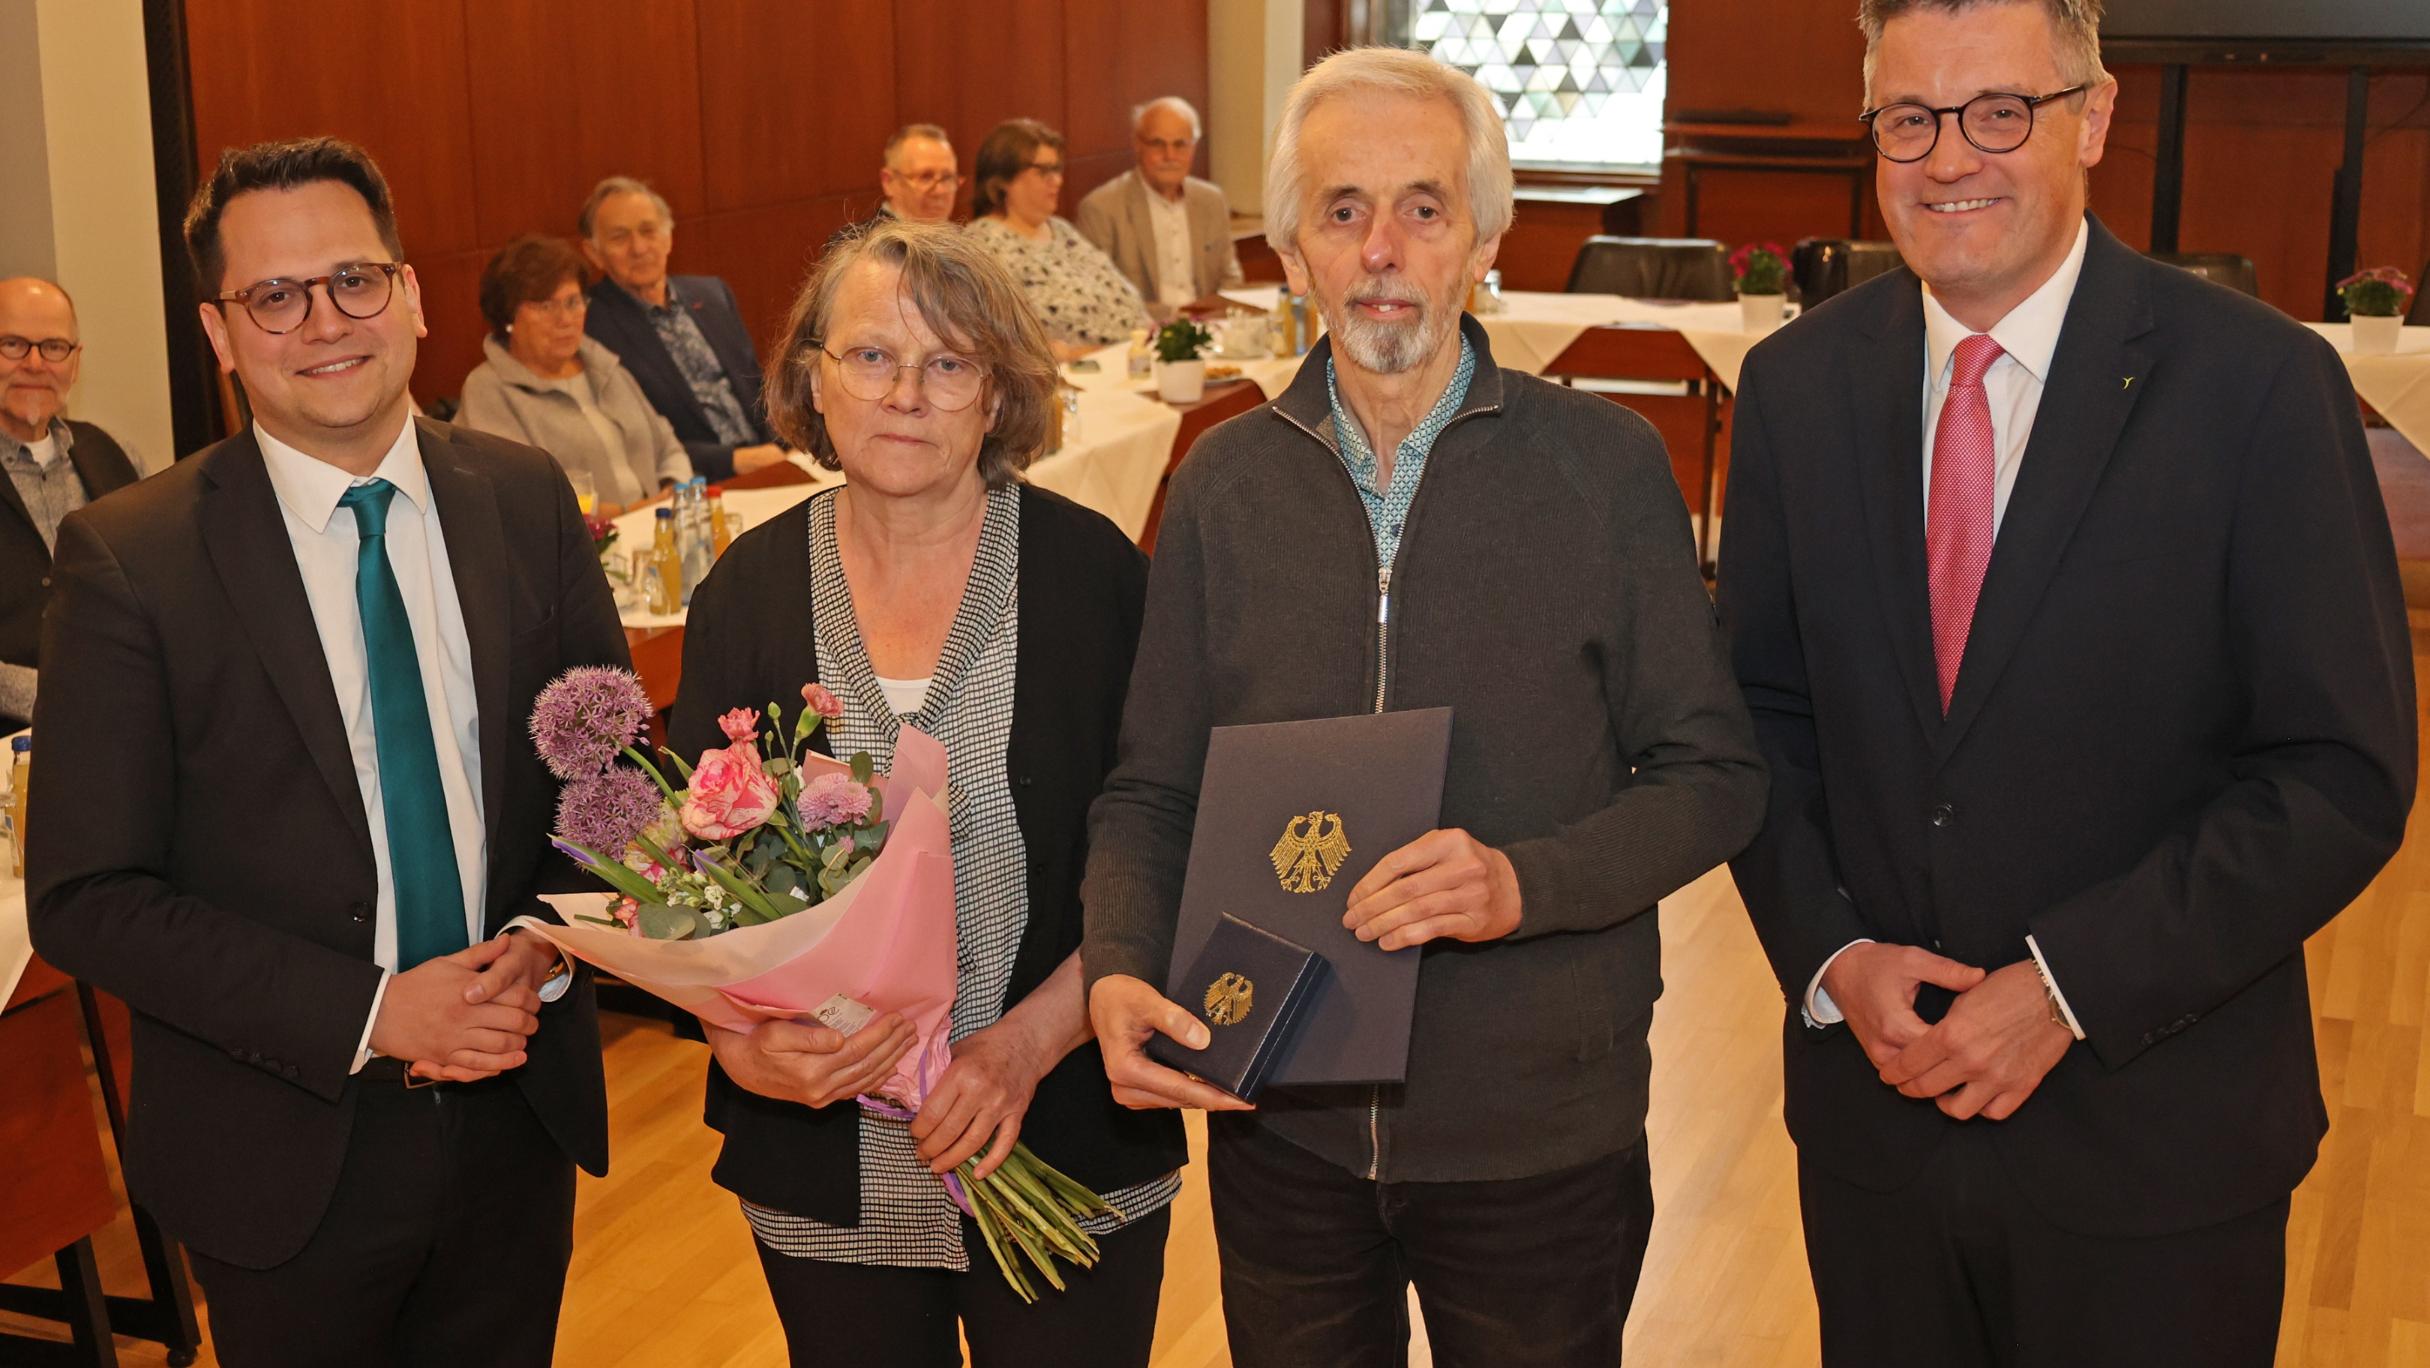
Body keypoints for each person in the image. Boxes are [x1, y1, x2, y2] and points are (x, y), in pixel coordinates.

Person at [1717, 2, 2415, 1363]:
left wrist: (2063, 987)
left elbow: (2339, 773)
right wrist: (1832, 956)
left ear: (2092, 118)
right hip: (1875, 1134)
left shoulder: (2260, 387)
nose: (1947, 158)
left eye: (1998, 111)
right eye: (1907, 119)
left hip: (2152, 1144)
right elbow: (1756, 714)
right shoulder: (1796, 388)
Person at [1082, 47, 1767, 1368]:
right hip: (1278, 1117)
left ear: (1483, 239)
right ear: (1288, 250)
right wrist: (1117, 967)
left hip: (1535, 1133)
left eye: (1422, 207)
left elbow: (1711, 776)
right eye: (1342, 211)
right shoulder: (1221, 487)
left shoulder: (1604, 469)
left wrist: (1525, 882)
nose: (1381, 248)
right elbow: (1150, 789)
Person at [26, 136, 626, 1367]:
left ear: (407, 294)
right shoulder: (131, 559)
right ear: (219, 331)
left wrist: (547, 945)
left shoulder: (525, 498)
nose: (324, 322)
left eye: (354, 279)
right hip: (284, 1146)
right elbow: (86, 898)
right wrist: (375, 1013)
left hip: (517, 1107)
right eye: (275, 297)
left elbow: (605, 777)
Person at [667, 218, 1185, 1368]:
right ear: (814, 377)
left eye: (948, 364)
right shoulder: (747, 591)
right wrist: (735, 1039)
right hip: (822, 1147)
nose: (906, 393)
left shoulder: (1092, 576)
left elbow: (1164, 843)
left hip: (1061, 1134)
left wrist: (1023, 1049)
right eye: (871, 357)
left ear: (997, 397)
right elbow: (695, 872)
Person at [458, 233, 691, 515]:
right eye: (546, 306)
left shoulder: (603, 365)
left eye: (573, 302)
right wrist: (626, 513)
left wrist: (673, 492)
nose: (566, 319)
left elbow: (667, 444)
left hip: (661, 525)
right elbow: (523, 496)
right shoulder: (489, 390)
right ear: (508, 317)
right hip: (587, 545)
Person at [578, 175, 785, 483]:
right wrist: (731, 460)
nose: (639, 247)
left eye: (648, 231)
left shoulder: (713, 295)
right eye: (620, 237)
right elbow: (628, 443)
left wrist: (785, 444)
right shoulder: (589, 325)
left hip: (772, 463)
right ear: (594, 253)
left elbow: (756, 388)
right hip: (694, 484)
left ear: (668, 238)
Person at [0, 276, 140, 728]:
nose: (36, 364)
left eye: (54, 347)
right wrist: (68, 696)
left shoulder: (118, 456)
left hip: (122, 726)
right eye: (13, 344)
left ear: (75, 363)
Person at [964, 119, 1146, 362]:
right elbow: (999, 342)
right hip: (1070, 379)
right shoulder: (982, 245)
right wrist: (1071, 354)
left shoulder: (1061, 229)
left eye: (1057, 169)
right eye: (1043, 171)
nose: (1057, 181)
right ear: (1003, 179)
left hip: (1131, 358)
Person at [1074, 97, 1244, 319]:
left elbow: (1230, 277)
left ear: (1194, 146)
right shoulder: (1101, 208)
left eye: (1180, 144)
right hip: (1143, 334)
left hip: (1213, 329)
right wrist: (1177, 316)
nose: (1170, 156)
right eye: (1157, 143)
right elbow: (1101, 298)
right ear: (1137, 144)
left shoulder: (1212, 200)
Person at [878, 123, 961, 225]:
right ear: (888, 182)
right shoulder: (867, 239)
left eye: (947, 177)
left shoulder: (962, 236)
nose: (940, 191)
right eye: (926, 177)